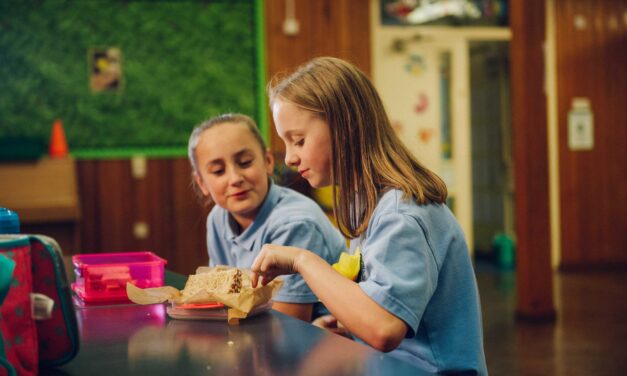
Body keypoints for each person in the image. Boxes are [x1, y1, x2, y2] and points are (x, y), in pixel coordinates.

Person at [250, 57, 488, 375]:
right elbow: (377, 307)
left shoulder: (403, 214)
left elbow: (384, 329)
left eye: (299, 140)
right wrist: (348, 324)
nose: (291, 157)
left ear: (344, 128)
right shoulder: (368, 205)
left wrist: (302, 261)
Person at [188, 113, 346, 322]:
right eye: (218, 171)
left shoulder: (296, 224)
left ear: (268, 161)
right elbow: (220, 299)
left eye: (245, 163)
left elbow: (288, 325)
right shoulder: (218, 218)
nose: (235, 178)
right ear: (201, 183)